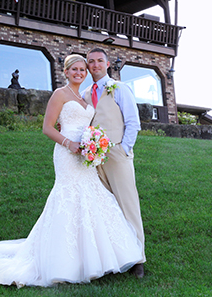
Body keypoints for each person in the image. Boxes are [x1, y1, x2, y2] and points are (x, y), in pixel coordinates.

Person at [0, 54, 143, 287]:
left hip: (89, 155)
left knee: (94, 198)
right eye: (75, 69)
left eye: (82, 69)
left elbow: (117, 122)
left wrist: (98, 146)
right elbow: (47, 127)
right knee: (68, 197)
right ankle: (66, 260)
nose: (80, 73)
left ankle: (116, 256)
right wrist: (69, 143)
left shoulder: (86, 97)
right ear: (65, 71)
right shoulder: (60, 94)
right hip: (67, 154)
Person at [82, 48, 146, 278]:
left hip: (117, 155)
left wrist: (123, 149)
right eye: (91, 62)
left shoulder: (120, 88)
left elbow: (133, 122)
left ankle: (138, 259)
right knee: (107, 208)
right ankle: (115, 257)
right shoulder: (86, 93)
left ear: (107, 64)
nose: (95, 65)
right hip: (93, 159)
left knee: (128, 205)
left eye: (100, 61)